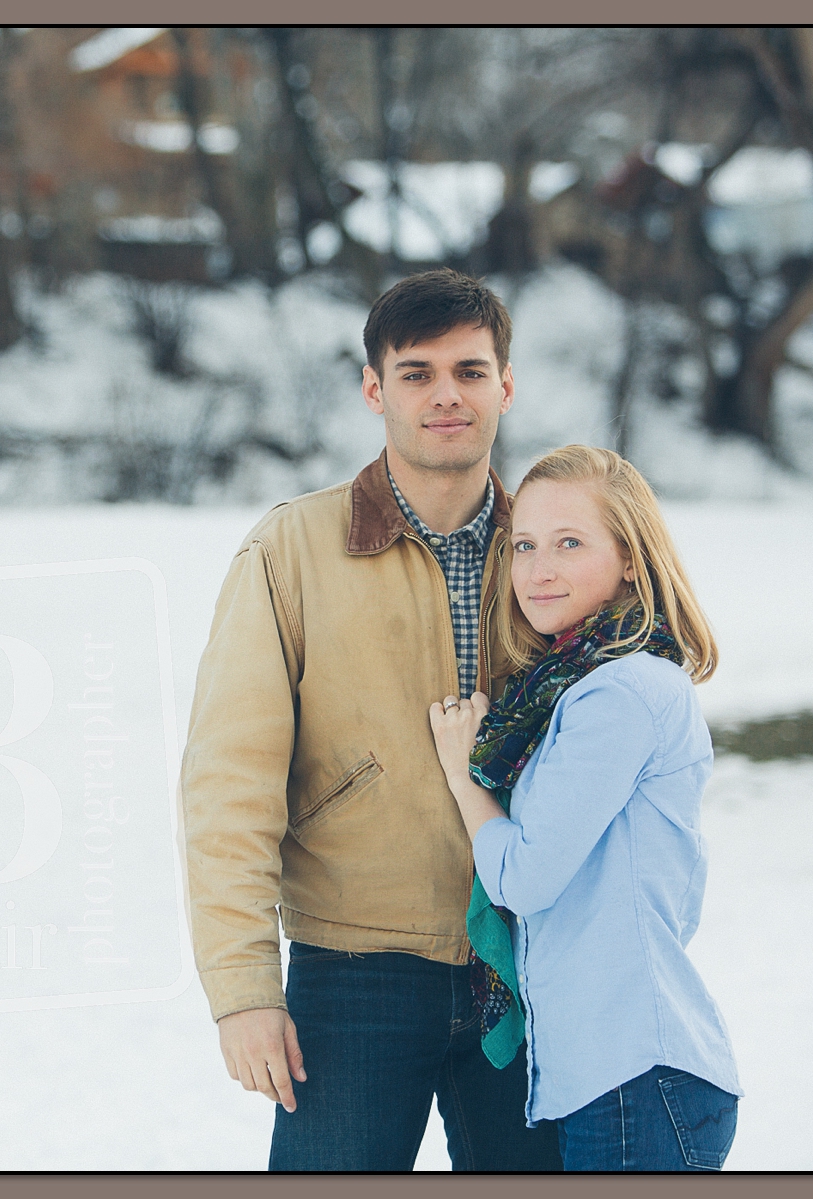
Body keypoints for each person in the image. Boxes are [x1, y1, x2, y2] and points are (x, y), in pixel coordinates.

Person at [179, 269, 561, 1171]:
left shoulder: (554, 549)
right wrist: (242, 988)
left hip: (532, 963)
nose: (445, 395)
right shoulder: (291, 551)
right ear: (373, 388)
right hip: (355, 974)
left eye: (469, 370)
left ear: (506, 385)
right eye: (417, 371)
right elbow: (228, 783)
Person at [427, 444, 742, 1172]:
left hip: (633, 1078)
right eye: (526, 545)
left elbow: (527, 877)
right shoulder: (581, 686)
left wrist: (461, 773)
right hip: (620, 1077)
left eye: (570, 543)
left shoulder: (617, 692)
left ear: (631, 558)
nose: (539, 570)